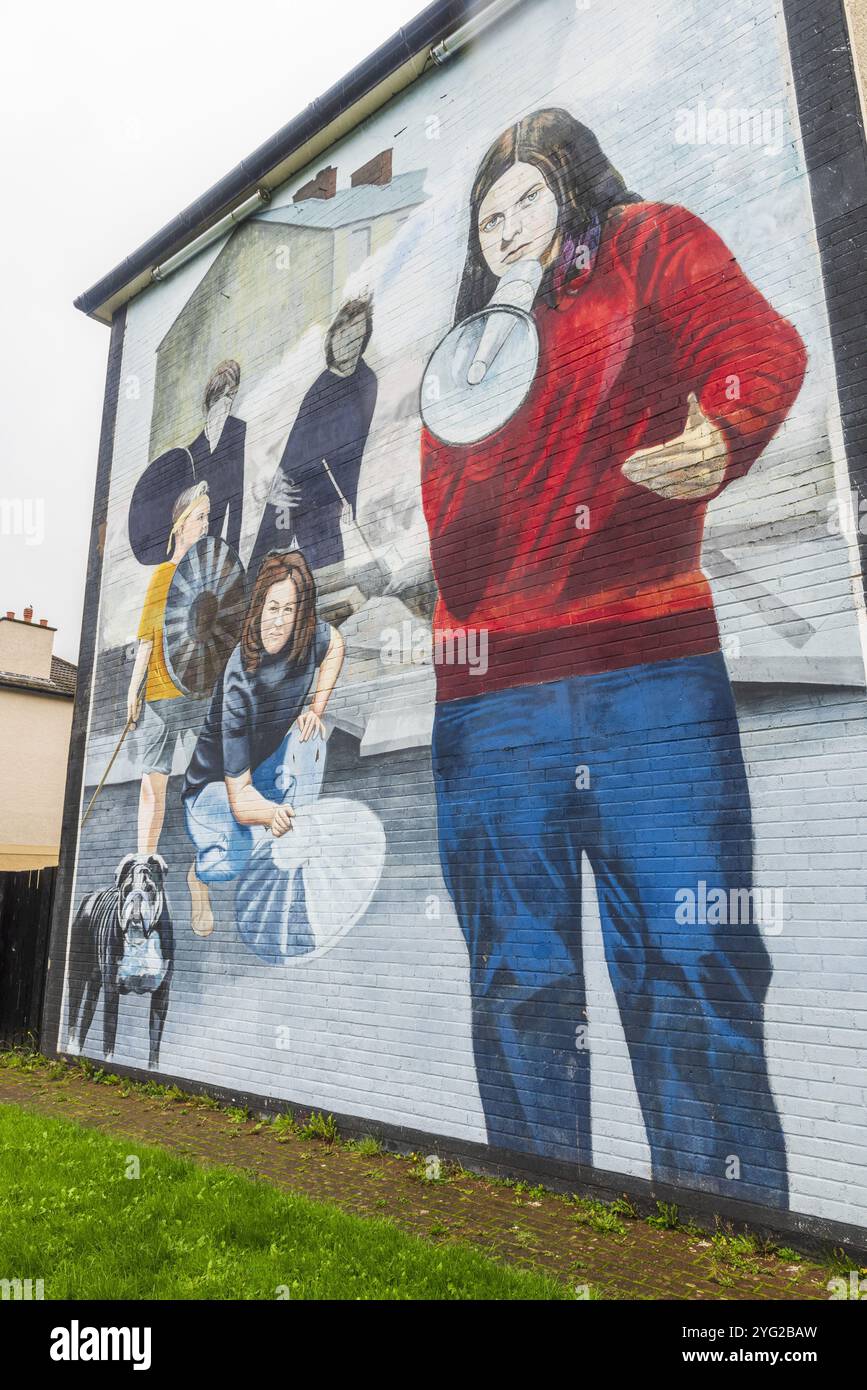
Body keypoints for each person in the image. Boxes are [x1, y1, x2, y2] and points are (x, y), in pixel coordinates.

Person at [421, 108, 807, 1208]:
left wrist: (725, 428)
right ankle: (548, 1245)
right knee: (520, 988)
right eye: (488, 217)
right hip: (491, 703)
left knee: (694, 965)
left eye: (527, 200)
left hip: (650, 674)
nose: (506, 228)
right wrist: (489, 392)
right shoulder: (466, 354)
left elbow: (755, 343)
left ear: (574, 187)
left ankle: (723, 1257)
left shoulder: (649, 242)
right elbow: (460, 544)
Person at [182, 550, 345, 938]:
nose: (278, 621)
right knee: (234, 861)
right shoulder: (240, 677)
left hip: (265, 767)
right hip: (214, 789)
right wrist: (272, 816)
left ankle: (289, 873)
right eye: (272, 607)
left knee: (309, 741)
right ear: (258, 608)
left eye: (288, 611)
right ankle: (198, 876)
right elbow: (240, 801)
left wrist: (316, 710)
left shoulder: (308, 637)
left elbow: (335, 644)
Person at [247, 299, 377, 580]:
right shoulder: (318, 386)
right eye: (343, 333)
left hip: (328, 499)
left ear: (364, 340)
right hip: (292, 494)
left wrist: (350, 499)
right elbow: (287, 449)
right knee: (268, 572)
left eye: (357, 335)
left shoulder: (367, 382)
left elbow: (360, 448)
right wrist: (274, 482)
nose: (348, 342)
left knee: (327, 576)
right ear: (332, 338)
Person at [127, 481, 212, 860]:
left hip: (197, 694)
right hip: (161, 695)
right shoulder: (163, 575)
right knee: (152, 786)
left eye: (208, 516)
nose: (206, 523)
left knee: (209, 778)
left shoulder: (209, 575)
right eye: (200, 517)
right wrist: (134, 692)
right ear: (179, 525)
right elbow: (147, 638)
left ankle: (208, 860)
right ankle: (144, 863)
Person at [129, 360, 245, 566]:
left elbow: (237, 501)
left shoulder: (236, 432)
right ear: (211, 403)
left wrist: (232, 559)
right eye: (222, 401)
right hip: (193, 554)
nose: (226, 409)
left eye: (231, 399)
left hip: (216, 553)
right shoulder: (190, 456)